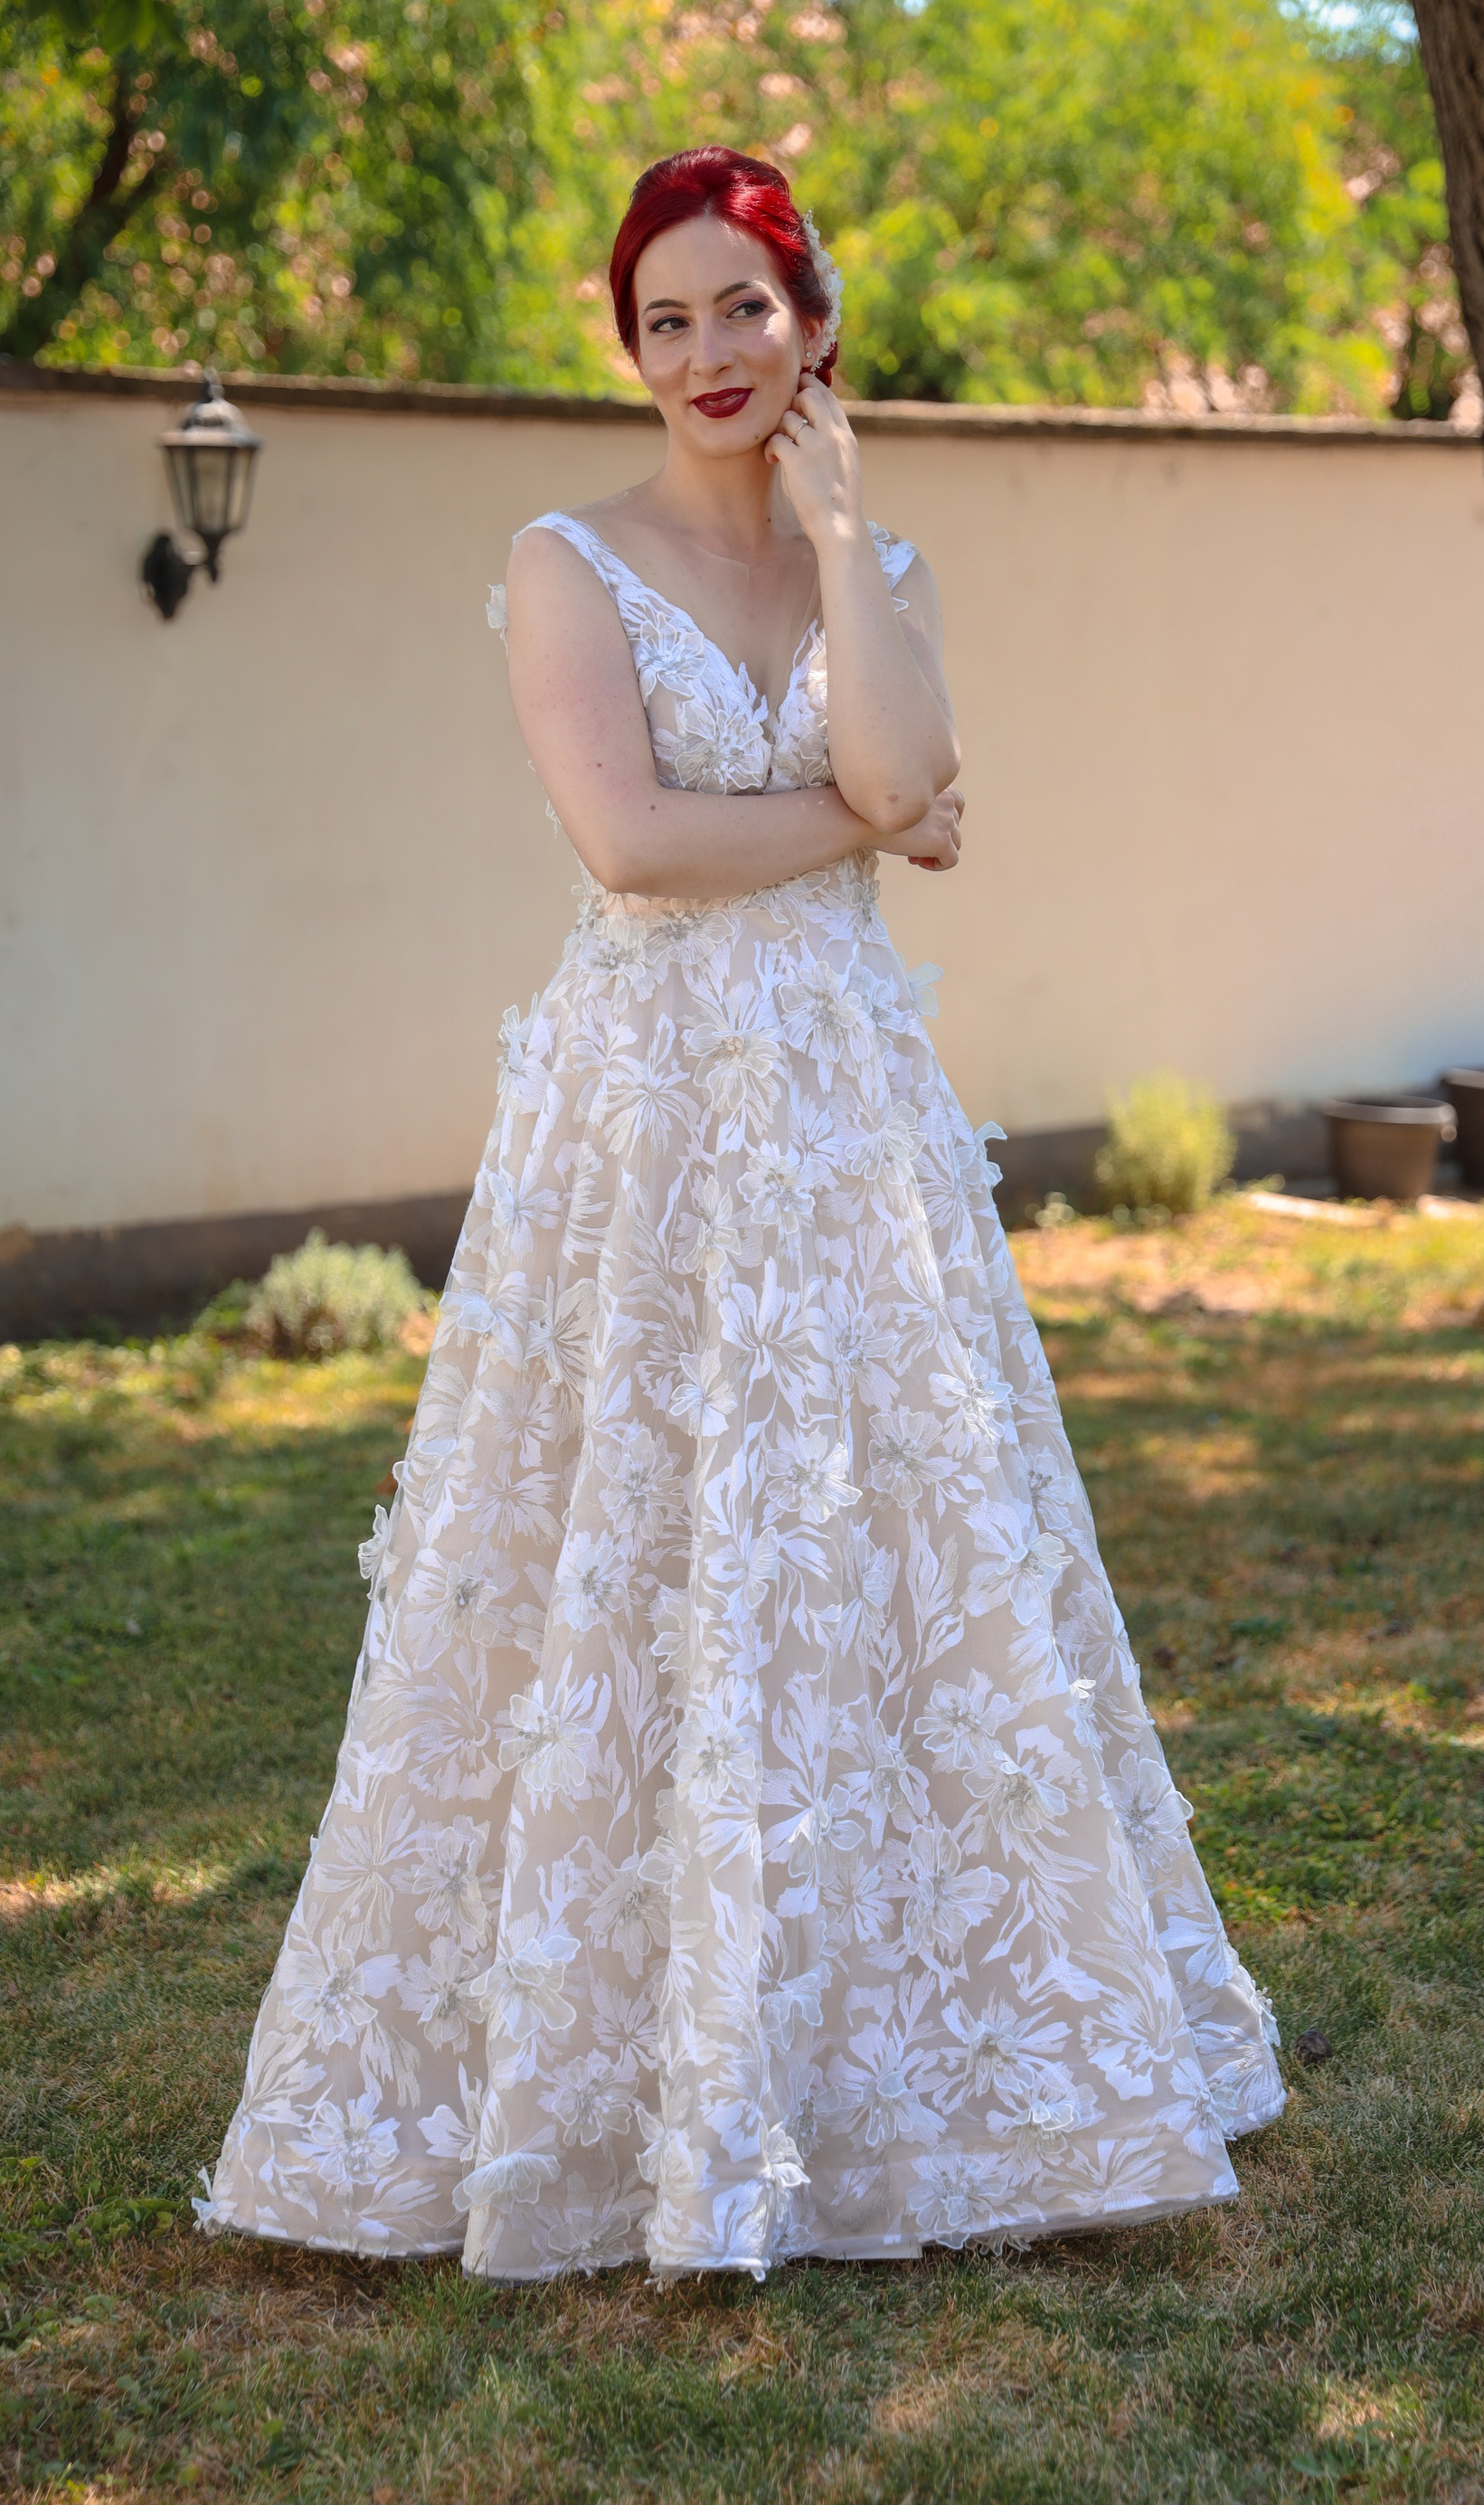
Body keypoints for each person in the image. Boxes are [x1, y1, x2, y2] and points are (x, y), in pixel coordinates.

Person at [197, 147, 1283, 2284]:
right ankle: (621, 2072)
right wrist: (868, 815)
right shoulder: (565, 565)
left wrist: (846, 543)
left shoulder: (882, 563)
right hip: (651, 1126)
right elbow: (638, 845)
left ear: (815, 324)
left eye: (742, 308)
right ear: (633, 347)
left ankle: (911, 2063)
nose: (705, 351)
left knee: (892, 1539)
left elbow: (906, 766)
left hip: (853, 1125)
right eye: (665, 317)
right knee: (636, 1546)